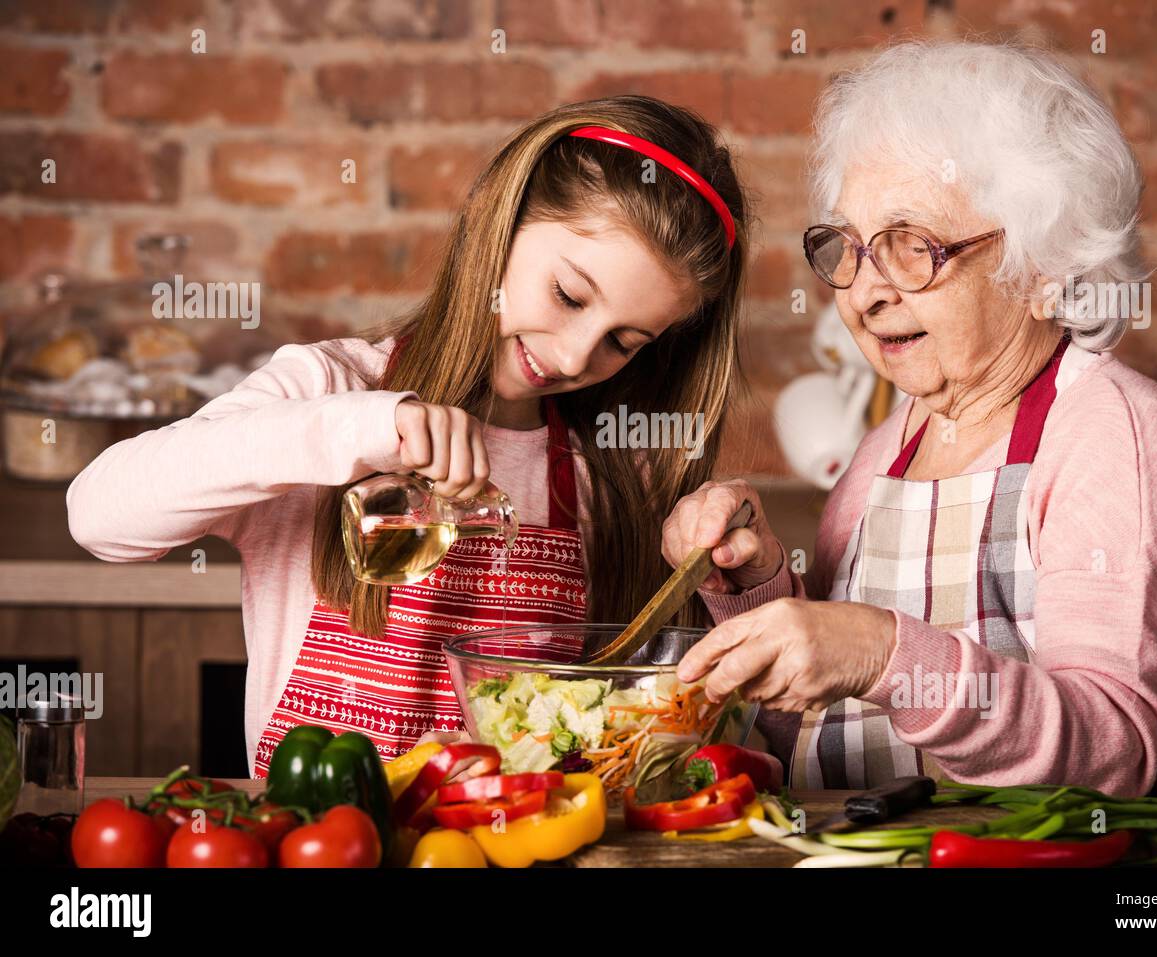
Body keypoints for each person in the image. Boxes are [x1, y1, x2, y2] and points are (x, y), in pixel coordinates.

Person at [661, 41, 1157, 798]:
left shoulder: (1116, 438)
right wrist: (756, 591)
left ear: (1045, 267)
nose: (864, 293)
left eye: (913, 247)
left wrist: (880, 650)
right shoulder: (881, 457)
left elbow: (1113, 749)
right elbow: (823, 744)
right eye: (849, 248)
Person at [67, 95, 749, 776]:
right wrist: (365, 426)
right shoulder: (329, 392)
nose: (574, 357)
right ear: (493, 219)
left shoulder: (609, 477)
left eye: (622, 342)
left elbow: (693, 729)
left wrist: (748, 573)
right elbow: (98, 515)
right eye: (568, 296)